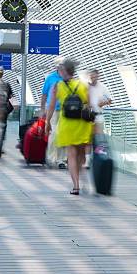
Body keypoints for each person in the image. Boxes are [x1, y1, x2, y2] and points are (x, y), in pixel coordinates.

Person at [45, 58, 93, 195]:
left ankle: (76, 186)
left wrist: (47, 122)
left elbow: (52, 106)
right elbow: (88, 106)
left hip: (67, 125)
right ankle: (83, 180)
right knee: (80, 156)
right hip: (82, 125)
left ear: (64, 71)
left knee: (71, 155)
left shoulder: (57, 86)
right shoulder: (83, 85)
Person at [41, 56, 66, 168]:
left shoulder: (68, 78)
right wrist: (42, 109)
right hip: (52, 110)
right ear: (57, 66)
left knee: (63, 133)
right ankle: (51, 157)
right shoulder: (51, 78)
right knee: (54, 132)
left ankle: (61, 159)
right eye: (60, 64)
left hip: (65, 110)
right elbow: (44, 94)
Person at [88, 69, 112, 133]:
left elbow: (110, 100)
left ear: (98, 76)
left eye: (94, 76)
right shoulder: (87, 87)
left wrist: (103, 103)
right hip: (88, 118)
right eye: (91, 76)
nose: (93, 78)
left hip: (99, 118)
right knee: (90, 139)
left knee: (99, 138)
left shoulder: (103, 87)